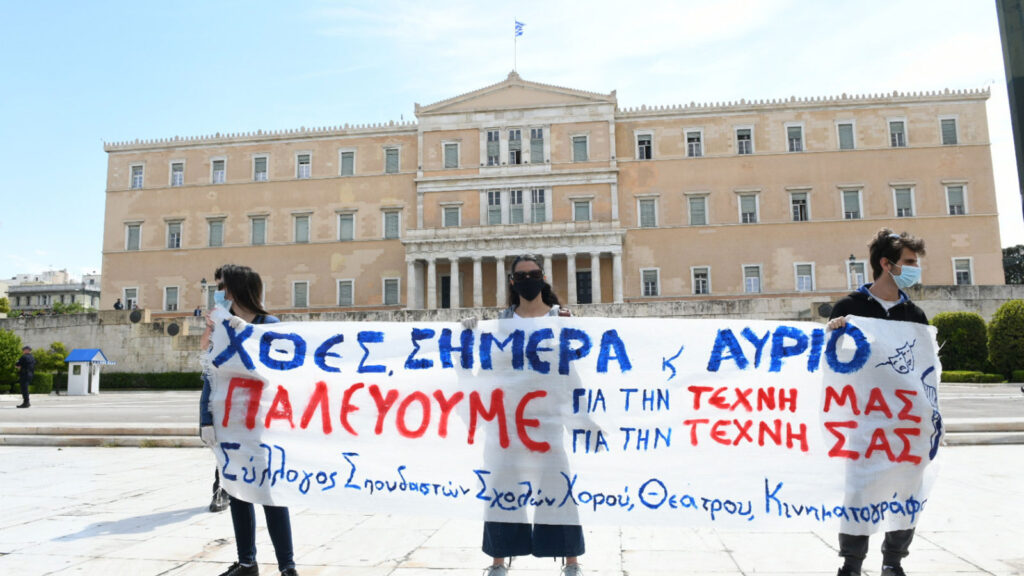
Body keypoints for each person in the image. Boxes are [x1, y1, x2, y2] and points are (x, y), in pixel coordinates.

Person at [473, 254, 584, 576]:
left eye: (533, 274)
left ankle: (571, 560)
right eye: (521, 276)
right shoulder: (501, 323)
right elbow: (488, 367)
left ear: (543, 277)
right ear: (512, 282)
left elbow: (572, 367)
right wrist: (468, 335)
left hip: (548, 418)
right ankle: (498, 559)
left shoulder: (560, 319)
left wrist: (581, 413)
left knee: (557, 485)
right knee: (501, 484)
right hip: (507, 420)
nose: (528, 280)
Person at [827, 229, 928, 576]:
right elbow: (829, 366)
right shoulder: (849, 308)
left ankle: (893, 561)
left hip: (904, 423)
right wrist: (833, 332)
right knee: (859, 492)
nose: (916, 269)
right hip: (862, 423)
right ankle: (851, 563)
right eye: (910, 262)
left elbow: (924, 372)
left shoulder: (915, 316)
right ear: (887, 264)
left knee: (907, 489)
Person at [199, 264, 299, 576]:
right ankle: (247, 563)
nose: (218, 293)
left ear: (236, 289)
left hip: (263, 423)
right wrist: (205, 418)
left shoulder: (270, 325)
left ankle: (287, 565)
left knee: (270, 493)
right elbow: (209, 373)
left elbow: (287, 372)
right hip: (229, 423)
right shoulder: (220, 326)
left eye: (221, 287)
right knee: (238, 493)